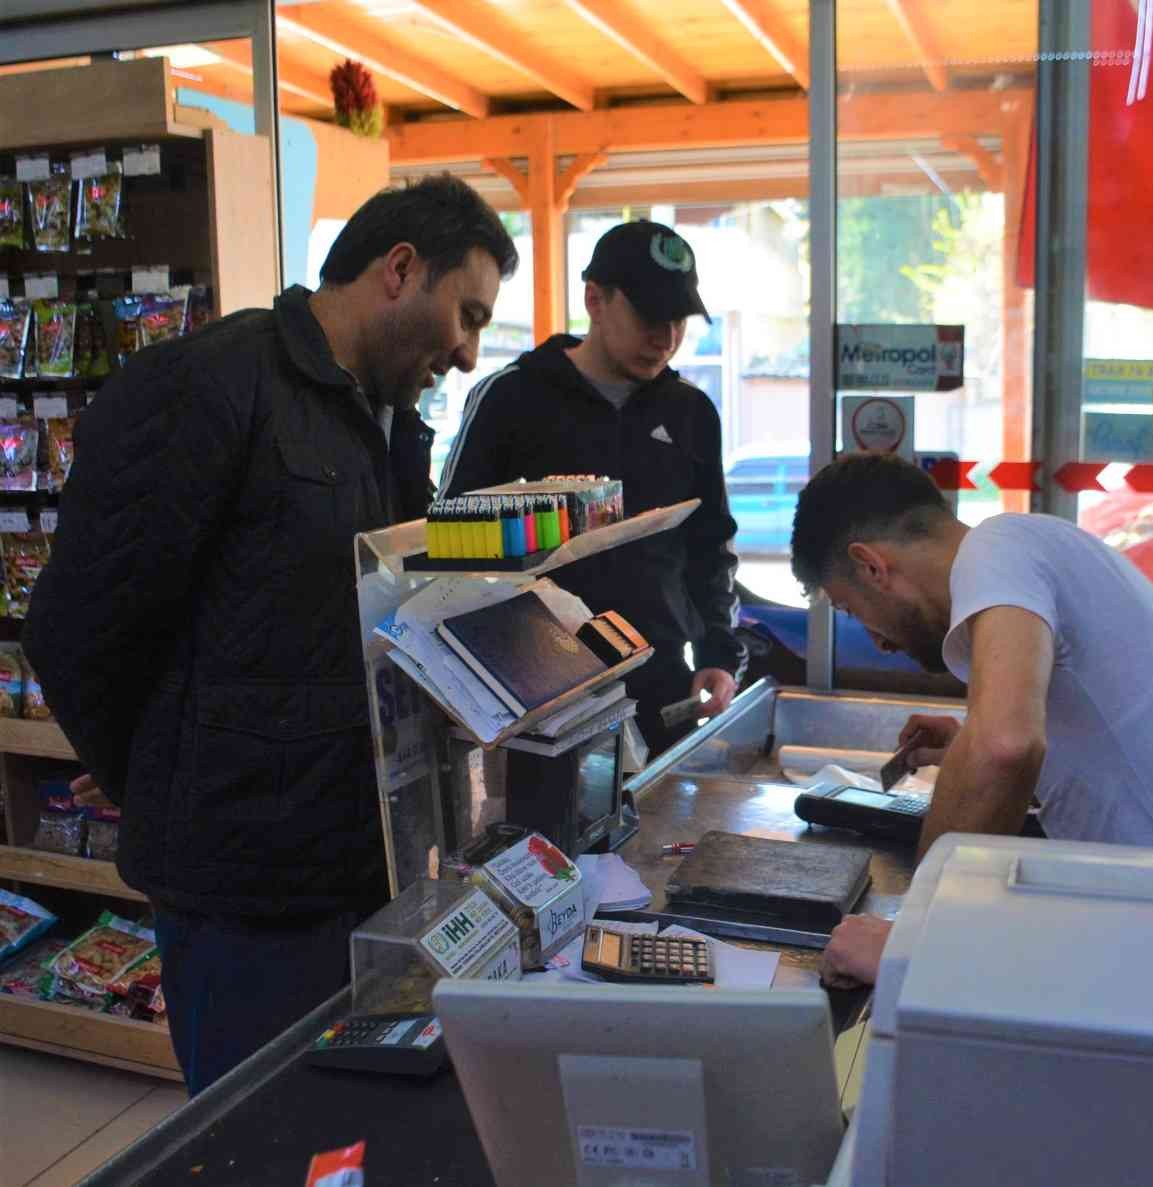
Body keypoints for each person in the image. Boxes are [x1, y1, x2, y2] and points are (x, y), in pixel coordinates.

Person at [24, 176, 519, 1093]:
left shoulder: (386, 422)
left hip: (360, 872)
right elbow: (76, 625)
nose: (467, 351)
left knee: (344, 1135)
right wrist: (168, 774)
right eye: (468, 313)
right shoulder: (210, 385)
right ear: (401, 270)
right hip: (242, 901)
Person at [788, 453, 1153, 988]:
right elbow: (1071, 723)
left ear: (872, 564)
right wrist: (968, 741)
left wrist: (915, 937)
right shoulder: (1038, 545)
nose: (876, 640)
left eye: (854, 610)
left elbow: (1006, 747)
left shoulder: (998, 549)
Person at [438, 220, 745, 753]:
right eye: (650, 316)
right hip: (540, 687)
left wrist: (719, 653)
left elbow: (710, 546)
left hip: (659, 680)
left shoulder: (692, 412)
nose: (665, 338)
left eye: (678, 320)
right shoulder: (510, 399)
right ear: (595, 299)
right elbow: (450, 548)